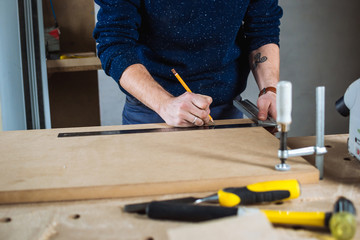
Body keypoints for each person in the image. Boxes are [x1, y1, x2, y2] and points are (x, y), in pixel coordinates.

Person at [93, 0, 282, 126]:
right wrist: (164, 104)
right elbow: (115, 43)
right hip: (152, 110)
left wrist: (269, 90)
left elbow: (263, 30)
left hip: (226, 110)